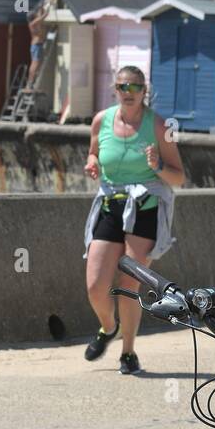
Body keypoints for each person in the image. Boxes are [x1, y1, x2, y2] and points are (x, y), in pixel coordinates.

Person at [83, 66, 186, 373]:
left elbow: (179, 178)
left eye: (134, 87)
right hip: (110, 204)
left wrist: (156, 166)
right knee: (95, 285)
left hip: (145, 207)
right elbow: (92, 153)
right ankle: (107, 327)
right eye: (122, 87)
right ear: (115, 89)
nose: (128, 93)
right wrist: (91, 164)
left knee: (129, 285)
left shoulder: (159, 125)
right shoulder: (101, 120)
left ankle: (128, 353)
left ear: (144, 91)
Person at [26, 2, 48, 91]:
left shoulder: (34, 23)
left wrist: (41, 7)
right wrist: (48, 7)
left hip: (36, 46)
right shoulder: (33, 23)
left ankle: (30, 82)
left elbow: (40, 15)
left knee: (34, 64)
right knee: (35, 64)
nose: (36, 14)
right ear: (32, 17)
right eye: (35, 14)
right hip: (37, 45)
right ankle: (30, 83)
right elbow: (44, 16)